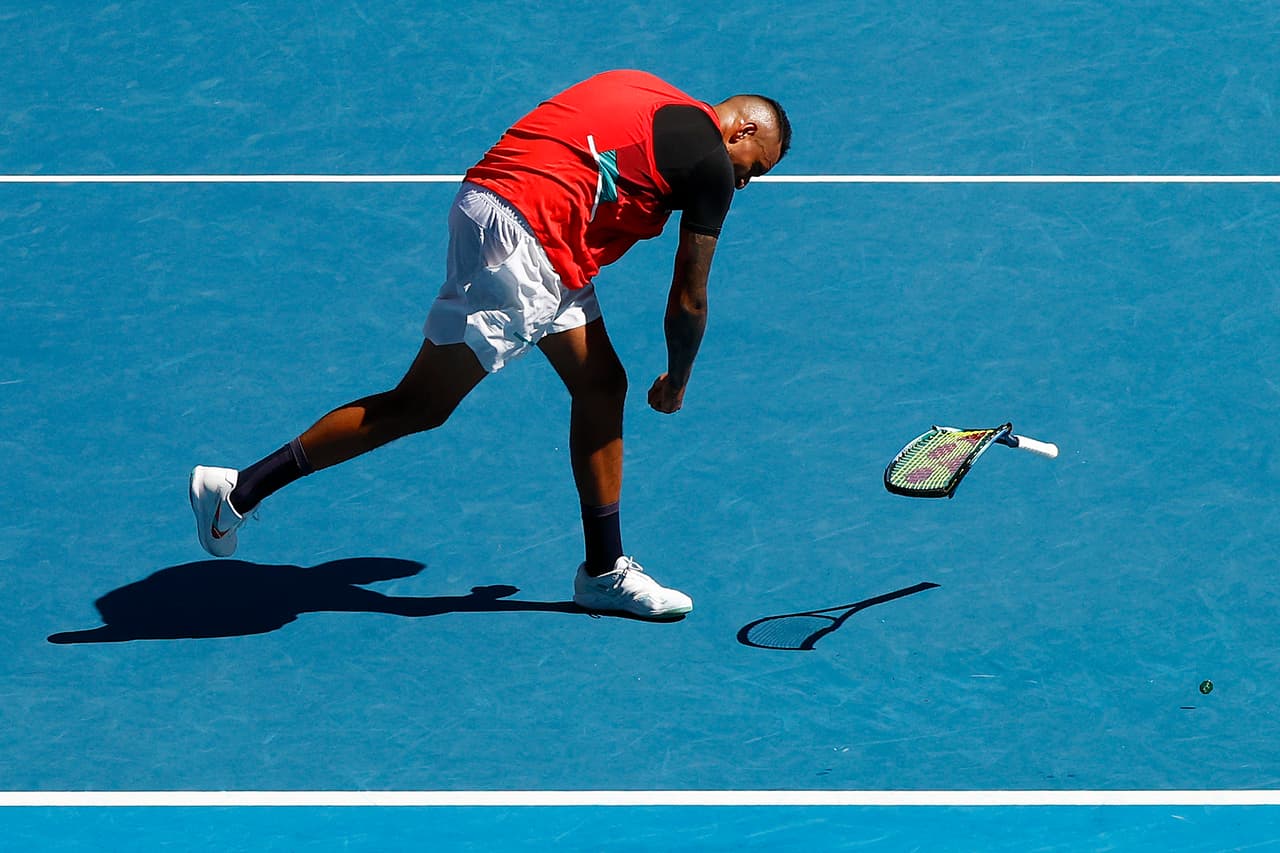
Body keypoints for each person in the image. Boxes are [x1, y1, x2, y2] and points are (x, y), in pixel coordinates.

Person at [190, 69, 791, 619]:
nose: (744, 180)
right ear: (740, 129)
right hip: (528, 240)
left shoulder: (644, 87)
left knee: (602, 384)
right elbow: (689, 298)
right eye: (753, 167)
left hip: (500, 209)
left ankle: (605, 571)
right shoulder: (711, 163)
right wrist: (679, 379)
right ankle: (238, 491)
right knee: (420, 404)